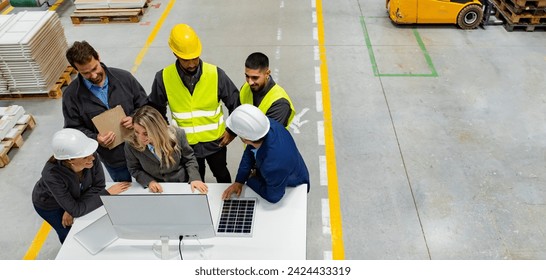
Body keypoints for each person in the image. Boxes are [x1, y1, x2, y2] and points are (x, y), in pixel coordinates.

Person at [148, 24, 240, 183]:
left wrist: (232, 131)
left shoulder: (215, 74)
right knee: (196, 180)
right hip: (186, 146)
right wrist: (167, 135)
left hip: (216, 142)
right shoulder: (163, 77)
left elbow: (236, 104)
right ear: (175, 53)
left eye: (195, 58)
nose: (191, 64)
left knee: (222, 175)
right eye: (186, 60)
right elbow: (155, 111)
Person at [63, 40, 148, 182]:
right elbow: (73, 129)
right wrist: (96, 138)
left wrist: (135, 118)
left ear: (98, 57)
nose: (94, 75)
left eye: (95, 68)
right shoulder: (71, 96)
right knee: (124, 191)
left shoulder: (124, 78)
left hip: (141, 149)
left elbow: (145, 105)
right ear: (76, 70)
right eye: (86, 73)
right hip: (113, 158)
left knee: (150, 187)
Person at [32, 128, 130, 244]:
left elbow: (98, 186)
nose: (92, 158)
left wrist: (71, 208)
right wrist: (107, 194)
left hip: (73, 198)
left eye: (91, 155)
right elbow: (78, 209)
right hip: (50, 205)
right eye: (85, 158)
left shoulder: (89, 154)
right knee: (68, 234)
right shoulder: (51, 175)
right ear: (69, 160)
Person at [221, 104, 310, 203]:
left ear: (245, 139)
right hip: (285, 170)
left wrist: (250, 179)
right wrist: (239, 181)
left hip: (292, 185)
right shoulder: (265, 127)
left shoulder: (272, 165)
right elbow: (249, 152)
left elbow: (273, 196)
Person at [124, 105, 208, 194]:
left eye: (146, 133)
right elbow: (134, 169)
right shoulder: (130, 144)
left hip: (180, 184)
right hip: (155, 188)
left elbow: (189, 159)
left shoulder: (178, 134)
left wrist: (195, 178)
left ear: (157, 130)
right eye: (137, 132)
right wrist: (149, 182)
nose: (141, 138)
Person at [240, 52, 295, 128]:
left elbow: (270, 135)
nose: (250, 82)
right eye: (247, 76)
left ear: (267, 73)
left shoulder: (280, 102)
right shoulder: (245, 88)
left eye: (255, 78)